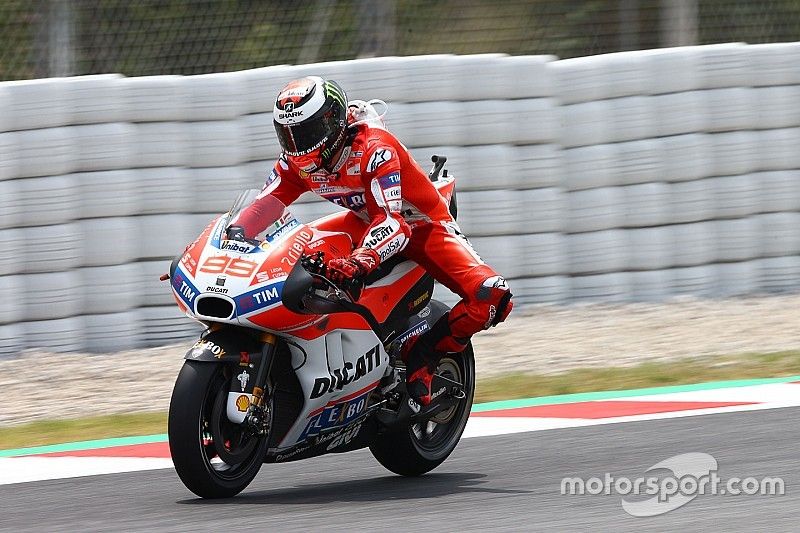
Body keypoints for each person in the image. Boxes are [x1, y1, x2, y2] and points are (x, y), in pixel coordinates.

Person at [228, 76, 513, 405]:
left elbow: (393, 221)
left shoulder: (374, 149)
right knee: (292, 260)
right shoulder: (297, 161)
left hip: (419, 224)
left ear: (332, 122)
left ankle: (424, 358)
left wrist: (359, 260)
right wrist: (233, 236)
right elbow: (263, 204)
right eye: (287, 134)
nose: (297, 145)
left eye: (304, 132)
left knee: (494, 297)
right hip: (360, 221)